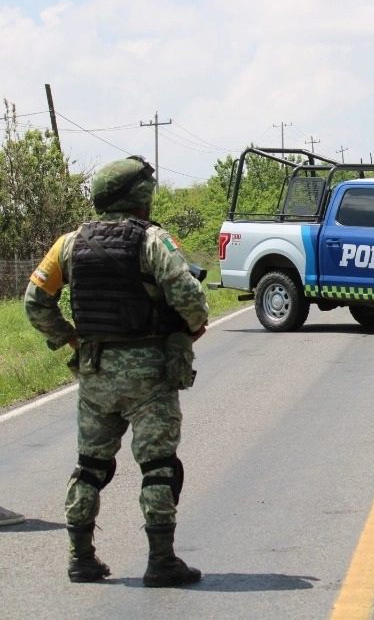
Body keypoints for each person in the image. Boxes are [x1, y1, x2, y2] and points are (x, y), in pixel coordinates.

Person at [24, 156, 209, 586]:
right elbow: (190, 296)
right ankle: (161, 562)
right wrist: (192, 329)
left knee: (90, 466)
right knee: (159, 466)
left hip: (95, 374)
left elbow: (35, 301)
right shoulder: (153, 240)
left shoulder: (68, 244)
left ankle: (80, 558)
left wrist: (70, 337)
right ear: (141, 198)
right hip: (150, 374)